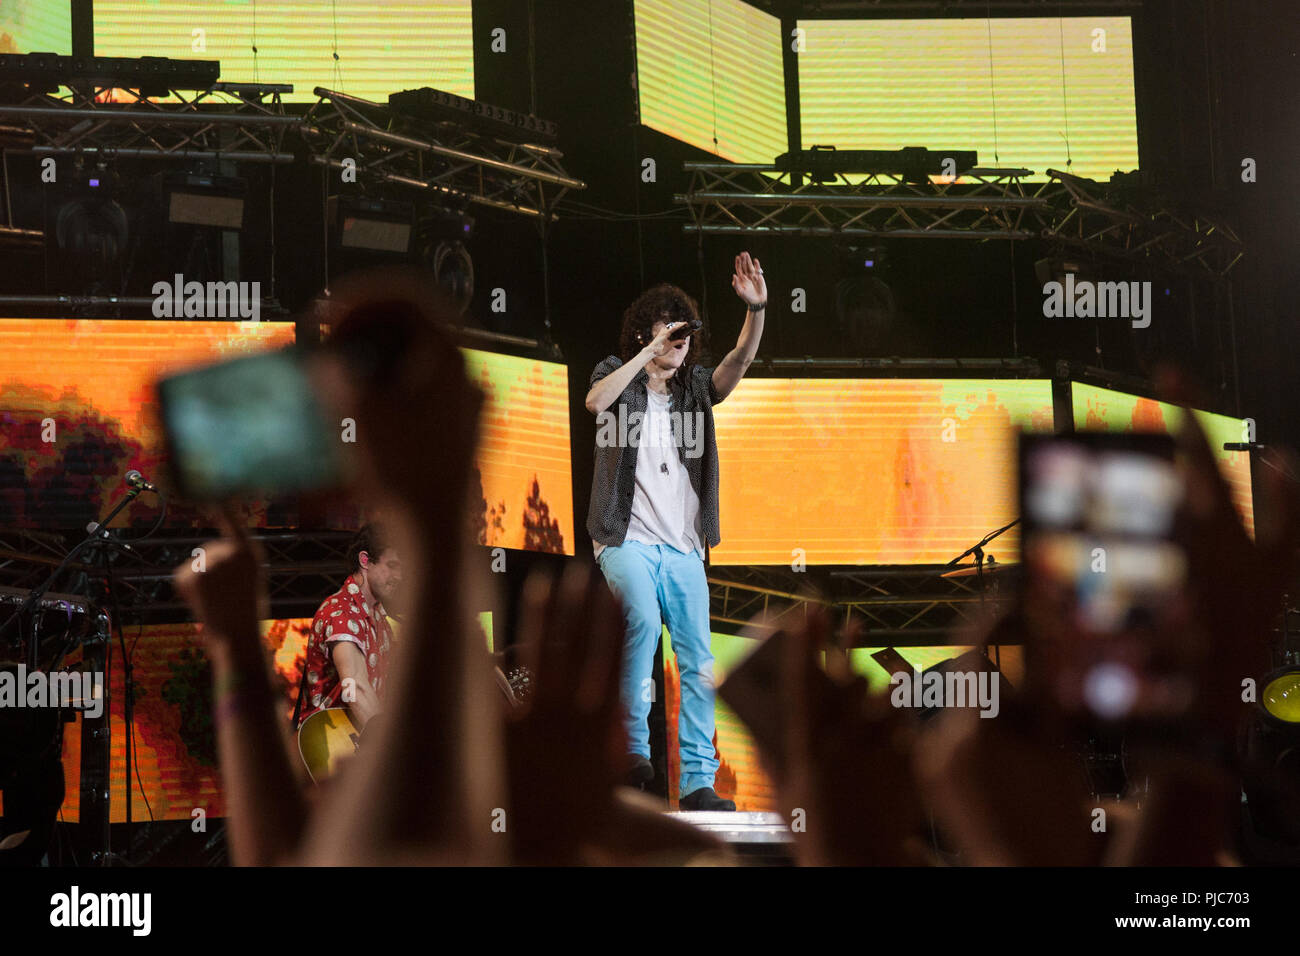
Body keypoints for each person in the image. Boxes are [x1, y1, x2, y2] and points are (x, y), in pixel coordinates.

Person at [584, 252, 767, 811]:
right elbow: (595, 402)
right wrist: (647, 349)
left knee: (697, 659)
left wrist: (756, 311)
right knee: (638, 619)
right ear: (646, 332)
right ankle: (633, 754)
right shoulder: (617, 374)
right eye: (672, 328)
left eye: (687, 330)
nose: (684, 339)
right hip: (625, 539)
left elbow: (736, 361)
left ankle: (696, 782)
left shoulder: (694, 392)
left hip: (685, 549)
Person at [296, 523, 400, 732]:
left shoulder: (380, 619)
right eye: (392, 566)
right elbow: (356, 687)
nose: (400, 576)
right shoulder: (342, 612)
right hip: (333, 744)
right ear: (365, 560)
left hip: (361, 741)